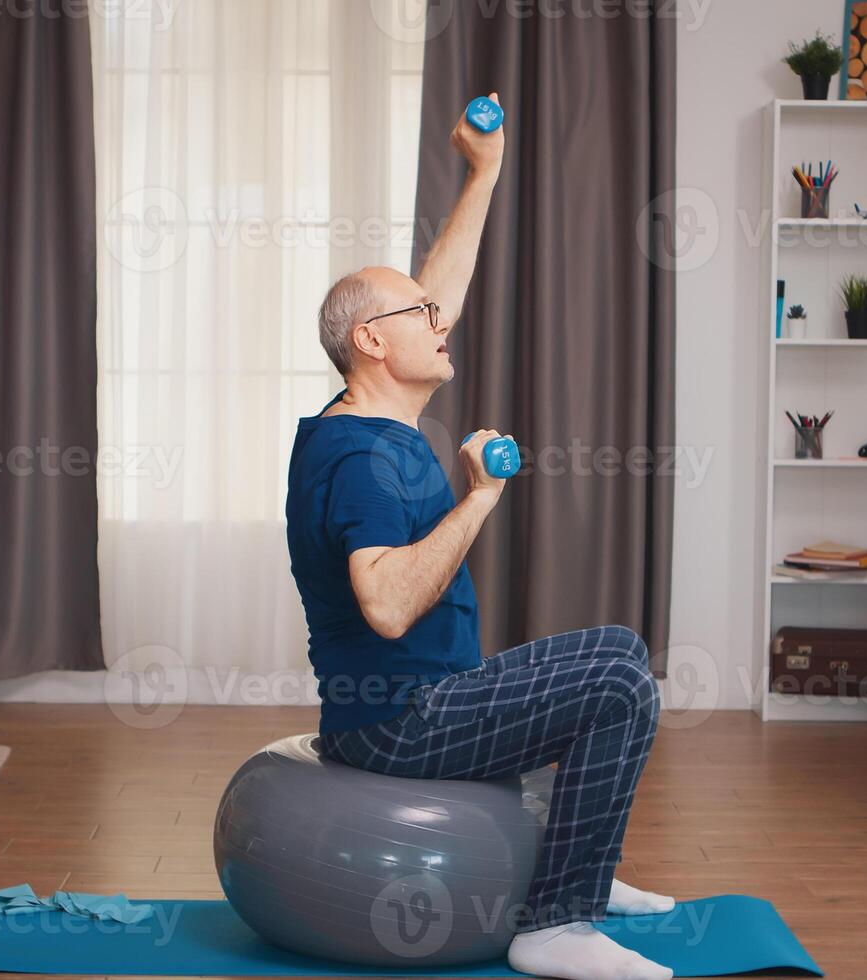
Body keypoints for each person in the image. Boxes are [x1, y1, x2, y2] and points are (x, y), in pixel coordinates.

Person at [283, 93, 674, 980]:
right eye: (422, 317)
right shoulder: (361, 460)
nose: (442, 320)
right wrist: (484, 495)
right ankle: (556, 926)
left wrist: (484, 170)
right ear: (374, 342)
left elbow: (439, 285)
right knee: (616, 676)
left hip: (419, 703)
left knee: (619, 651)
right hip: (396, 727)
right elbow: (382, 604)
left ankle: (586, 874)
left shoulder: (364, 417)